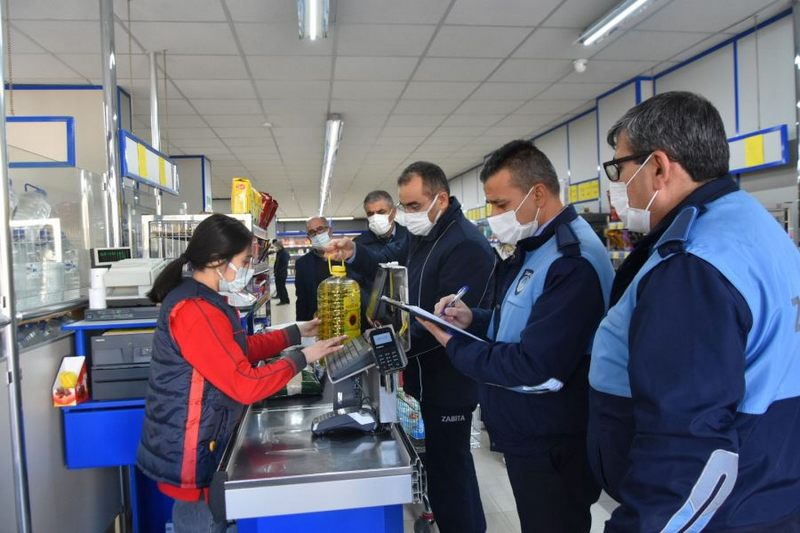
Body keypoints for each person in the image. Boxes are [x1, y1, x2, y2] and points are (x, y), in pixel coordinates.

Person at [588, 91, 800, 531]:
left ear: (659, 167)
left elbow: (685, 439)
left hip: (718, 513)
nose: (617, 183)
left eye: (619, 167)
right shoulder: (750, 225)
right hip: (767, 489)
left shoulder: (694, 264)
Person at [417, 140, 614, 533]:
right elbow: (520, 324)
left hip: (555, 440)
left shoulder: (572, 262)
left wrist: (453, 343)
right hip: (530, 435)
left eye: (501, 205)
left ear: (538, 193)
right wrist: (473, 318)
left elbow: (535, 366)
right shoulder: (534, 251)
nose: (493, 216)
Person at [136, 214, 346, 533]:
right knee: (202, 524)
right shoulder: (195, 310)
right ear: (219, 259)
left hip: (202, 435)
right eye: (245, 260)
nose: (248, 267)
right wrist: (304, 356)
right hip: (193, 446)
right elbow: (244, 385)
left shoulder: (204, 297)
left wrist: (297, 332)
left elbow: (238, 348)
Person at [326, 162, 495, 533]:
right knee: (440, 467)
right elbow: (393, 266)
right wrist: (355, 253)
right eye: (404, 207)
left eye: (414, 206)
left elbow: (450, 322)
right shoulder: (428, 236)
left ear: (441, 199)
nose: (408, 215)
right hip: (425, 376)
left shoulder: (465, 245)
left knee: (451, 470)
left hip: (450, 379)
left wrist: (390, 345)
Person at [352, 190, 409, 327]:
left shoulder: (409, 238)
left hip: (407, 315)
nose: (375, 217)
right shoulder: (359, 245)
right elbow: (356, 284)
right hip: (372, 318)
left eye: (381, 212)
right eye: (370, 214)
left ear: (393, 212)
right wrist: (371, 310)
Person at [294, 216, 333, 321]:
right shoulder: (302, 264)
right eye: (312, 232)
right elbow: (301, 300)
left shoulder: (346, 258)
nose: (317, 235)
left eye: (320, 229)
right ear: (309, 238)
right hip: (315, 322)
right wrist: (301, 328)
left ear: (329, 231)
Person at [271, 239, 290, 305]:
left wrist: (278, 272)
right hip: (278, 273)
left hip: (281, 273)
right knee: (279, 287)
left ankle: (284, 300)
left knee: (281, 287)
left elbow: (283, 264)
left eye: (276, 246)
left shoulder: (284, 253)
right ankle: (284, 299)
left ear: (279, 246)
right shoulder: (279, 252)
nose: (275, 248)